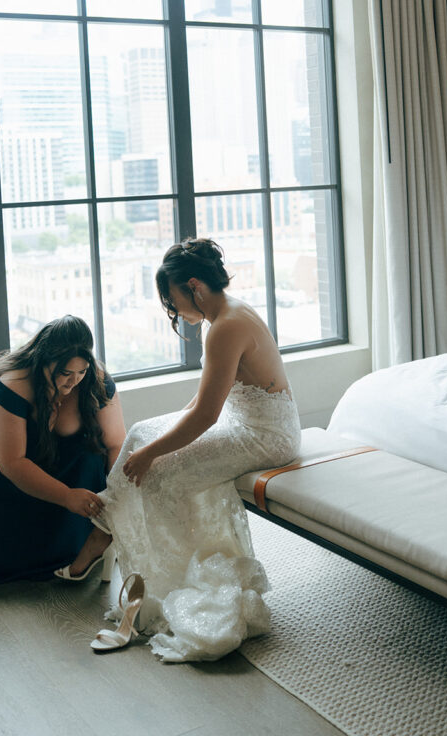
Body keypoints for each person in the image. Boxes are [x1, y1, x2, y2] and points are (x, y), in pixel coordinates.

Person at [78, 238, 301, 662]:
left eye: (174, 300)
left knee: (159, 472)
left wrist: (151, 456)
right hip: (244, 420)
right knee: (143, 431)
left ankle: (154, 576)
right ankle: (108, 530)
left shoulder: (227, 326)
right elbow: (202, 402)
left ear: (194, 286)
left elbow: (206, 416)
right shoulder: (224, 316)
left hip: (265, 435)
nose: (176, 311)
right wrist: (153, 440)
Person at [0, 315, 126, 584]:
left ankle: (84, 549)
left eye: (81, 372)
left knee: (90, 463)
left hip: (58, 451)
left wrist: (117, 495)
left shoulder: (94, 381)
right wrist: (66, 496)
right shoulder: (12, 385)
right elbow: (12, 462)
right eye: (65, 373)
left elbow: (115, 444)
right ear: (45, 362)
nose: (72, 382)